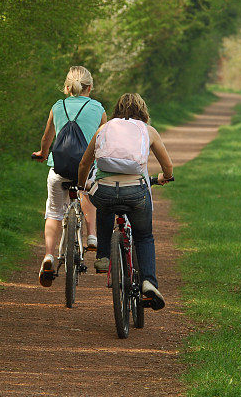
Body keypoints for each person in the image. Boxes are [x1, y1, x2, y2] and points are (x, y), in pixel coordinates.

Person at [77, 92, 173, 310]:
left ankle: (103, 256)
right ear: (143, 111)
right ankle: (148, 282)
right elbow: (168, 166)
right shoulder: (148, 131)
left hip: (106, 192)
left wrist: (83, 185)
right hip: (136, 192)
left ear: (117, 110)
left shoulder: (105, 128)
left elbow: (84, 163)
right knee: (144, 236)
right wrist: (165, 177)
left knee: (103, 202)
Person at [32, 66, 106, 287]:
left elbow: (47, 138)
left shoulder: (58, 106)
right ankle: (92, 235)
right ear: (90, 87)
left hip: (59, 170)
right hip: (87, 168)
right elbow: (105, 138)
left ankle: (48, 256)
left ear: (66, 87)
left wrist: (43, 154)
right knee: (89, 192)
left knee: (54, 211)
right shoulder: (98, 108)